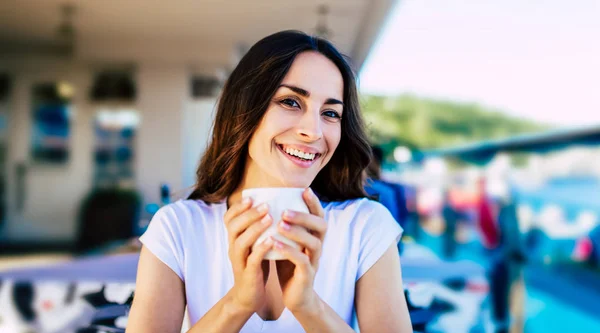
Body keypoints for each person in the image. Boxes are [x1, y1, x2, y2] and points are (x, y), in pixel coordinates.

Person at [126, 31, 412, 333]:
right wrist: (237, 303)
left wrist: (309, 306)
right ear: (244, 109)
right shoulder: (177, 228)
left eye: (330, 113)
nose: (313, 131)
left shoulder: (366, 226)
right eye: (290, 102)